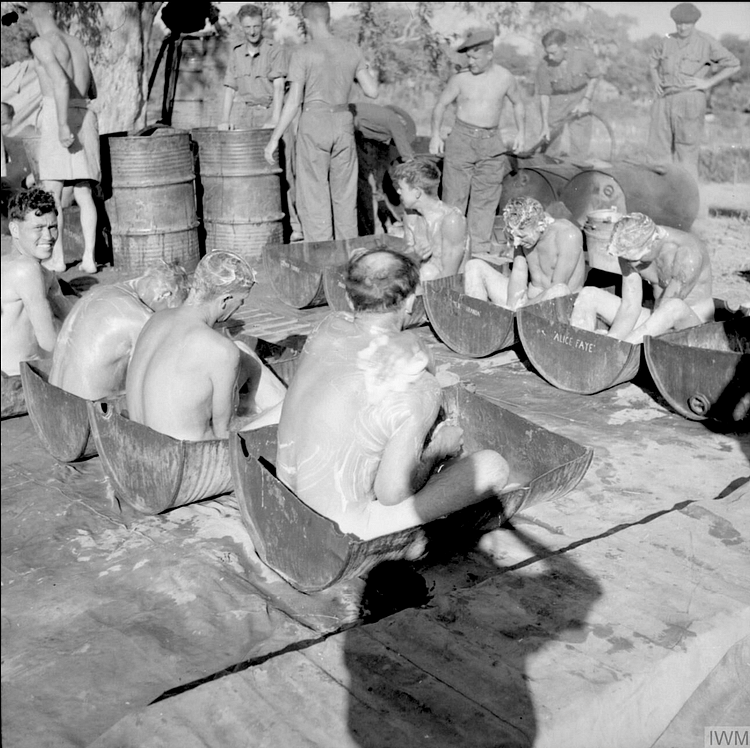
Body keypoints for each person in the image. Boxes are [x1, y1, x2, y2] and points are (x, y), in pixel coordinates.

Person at [276, 248, 510, 540]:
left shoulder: (327, 326)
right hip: (334, 531)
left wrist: (410, 340)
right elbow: (392, 494)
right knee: (492, 467)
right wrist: (440, 448)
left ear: (348, 298)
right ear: (412, 300)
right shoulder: (420, 389)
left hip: (279, 498)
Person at [126, 251, 286, 442]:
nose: (239, 307)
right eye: (240, 301)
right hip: (191, 458)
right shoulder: (221, 350)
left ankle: (256, 405)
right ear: (225, 300)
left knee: (242, 350)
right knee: (291, 408)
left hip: (140, 443)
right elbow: (223, 433)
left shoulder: (155, 319)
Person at [263, 1, 378, 242]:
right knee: (346, 197)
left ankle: (322, 260)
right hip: (343, 122)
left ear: (305, 21)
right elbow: (372, 91)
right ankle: (349, 259)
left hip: (314, 123)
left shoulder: (303, 53)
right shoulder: (352, 49)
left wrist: (274, 139)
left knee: (315, 197)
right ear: (328, 19)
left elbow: (293, 103)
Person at [429, 28, 525, 255]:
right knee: (455, 198)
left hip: (492, 143)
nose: (470, 62)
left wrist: (521, 132)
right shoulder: (460, 79)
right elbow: (441, 105)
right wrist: (435, 134)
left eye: (475, 57)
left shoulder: (505, 77)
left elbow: (518, 103)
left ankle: (478, 254)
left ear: (489, 54)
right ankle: (450, 252)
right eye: (468, 57)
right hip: (461, 141)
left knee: (485, 200)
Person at [28, 1, 101, 275]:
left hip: (58, 113)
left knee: (52, 193)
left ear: (37, 13)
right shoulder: (77, 43)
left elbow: (59, 83)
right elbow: (92, 88)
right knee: (83, 192)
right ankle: (90, 258)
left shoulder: (41, 43)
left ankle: (57, 259)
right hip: (83, 112)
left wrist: (61, 124)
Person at [49, 262, 189, 401]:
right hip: (87, 413)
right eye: (170, 311)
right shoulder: (140, 318)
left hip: (53, 398)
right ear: (164, 295)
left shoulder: (99, 292)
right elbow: (162, 382)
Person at [570, 212, 713, 345]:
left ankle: (620, 351)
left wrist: (623, 343)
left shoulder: (687, 256)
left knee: (673, 306)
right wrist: (614, 337)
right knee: (589, 294)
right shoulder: (628, 250)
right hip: (655, 322)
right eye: (628, 259)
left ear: (654, 242)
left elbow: (667, 311)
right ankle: (584, 348)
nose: (632, 264)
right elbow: (630, 307)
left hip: (694, 332)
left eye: (637, 259)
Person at [647, 3, 740, 184]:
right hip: (664, 99)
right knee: (657, 152)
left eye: (686, 23)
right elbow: (652, 61)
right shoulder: (666, 40)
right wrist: (656, 79)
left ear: (694, 23)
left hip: (690, 100)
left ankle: (686, 206)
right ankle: (659, 201)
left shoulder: (706, 42)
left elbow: (734, 64)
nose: (682, 27)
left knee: (686, 153)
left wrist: (708, 83)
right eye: (678, 23)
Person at [464, 196, 585, 310]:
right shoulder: (521, 234)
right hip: (527, 303)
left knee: (560, 290)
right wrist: (512, 306)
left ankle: (517, 318)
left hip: (555, 306)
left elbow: (558, 287)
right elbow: (518, 274)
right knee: (473, 266)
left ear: (540, 225)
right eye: (514, 237)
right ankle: (477, 319)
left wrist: (521, 311)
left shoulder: (568, 235)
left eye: (522, 237)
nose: (516, 243)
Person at [1, 187, 72, 376]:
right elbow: (49, 342)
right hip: (15, 386)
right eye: (38, 228)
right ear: (14, 229)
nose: (48, 237)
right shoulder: (25, 269)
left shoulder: (36, 271)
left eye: (52, 227)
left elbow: (71, 317)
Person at [391, 159, 469, 281]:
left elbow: (450, 275)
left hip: (448, 288)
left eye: (402, 188)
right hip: (419, 280)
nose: (398, 191)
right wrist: (414, 255)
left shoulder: (451, 220)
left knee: (428, 272)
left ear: (417, 192)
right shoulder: (410, 216)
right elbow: (405, 258)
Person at [350, 102, 417, 236]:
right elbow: (408, 157)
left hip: (347, 127)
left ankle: (371, 229)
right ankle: (373, 231)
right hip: (348, 127)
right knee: (367, 187)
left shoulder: (378, 117)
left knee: (366, 186)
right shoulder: (395, 122)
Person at [535, 29, 602, 161]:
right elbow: (544, 95)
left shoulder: (583, 55)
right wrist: (545, 124)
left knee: (579, 145)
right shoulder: (544, 65)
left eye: (553, 53)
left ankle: (576, 174)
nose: (550, 57)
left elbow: (595, 77)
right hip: (557, 101)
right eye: (547, 53)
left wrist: (585, 102)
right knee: (549, 147)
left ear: (564, 46)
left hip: (580, 98)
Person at [218, 4, 287, 130]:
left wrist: (275, 120)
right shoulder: (236, 52)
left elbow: (279, 87)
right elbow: (230, 89)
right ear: (241, 27)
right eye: (247, 27)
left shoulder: (274, 50)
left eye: (256, 26)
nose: (252, 32)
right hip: (247, 115)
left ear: (262, 24)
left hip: (271, 113)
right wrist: (225, 120)